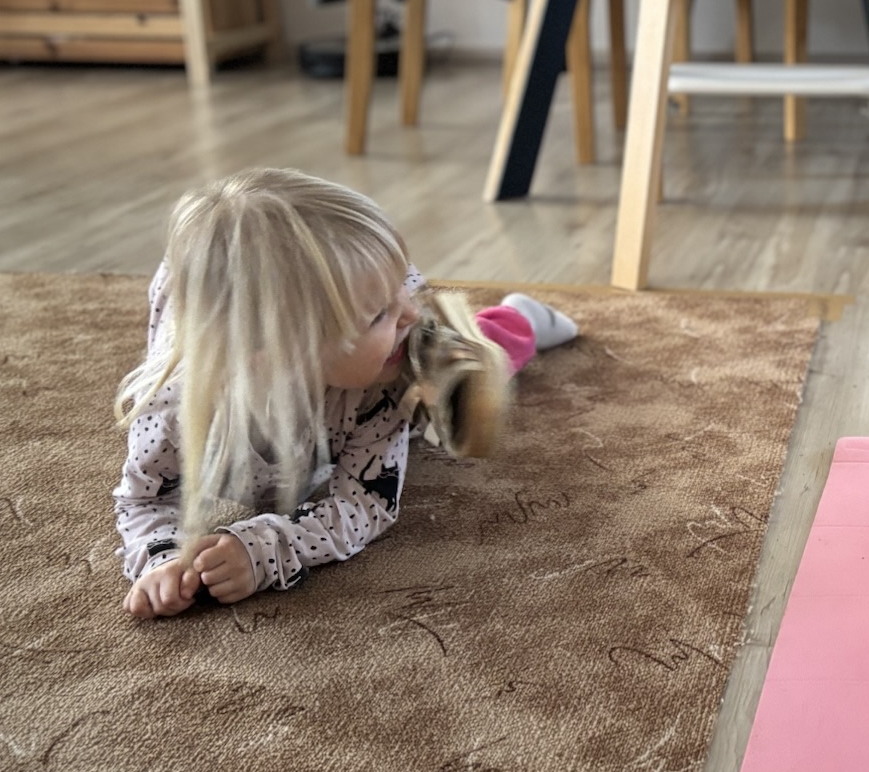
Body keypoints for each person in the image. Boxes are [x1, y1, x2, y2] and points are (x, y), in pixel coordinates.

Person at [112, 168, 579, 618]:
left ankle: (517, 321)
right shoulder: (172, 407)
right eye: (377, 314)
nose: (410, 313)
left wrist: (267, 547)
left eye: (403, 290)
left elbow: (366, 502)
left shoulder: (388, 365)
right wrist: (160, 559)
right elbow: (143, 499)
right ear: (277, 354)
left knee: (457, 377)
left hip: (367, 337)